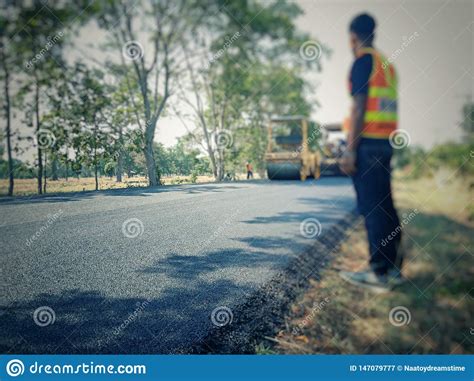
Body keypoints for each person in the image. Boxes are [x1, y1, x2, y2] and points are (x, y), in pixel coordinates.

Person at [339, 13, 403, 292]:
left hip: (367, 145)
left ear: (353, 37)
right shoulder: (386, 65)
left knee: (372, 208)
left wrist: (350, 150)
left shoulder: (363, 61)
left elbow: (359, 107)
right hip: (385, 143)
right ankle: (392, 268)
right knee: (385, 205)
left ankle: (378, 272)